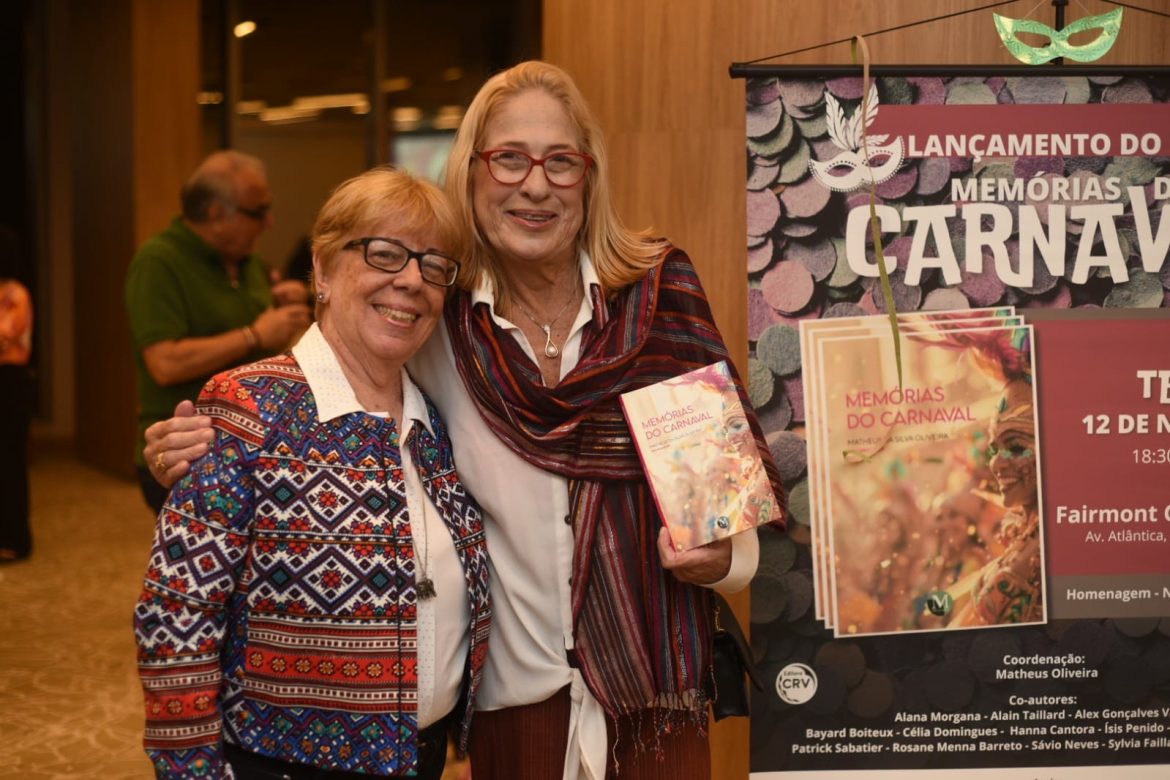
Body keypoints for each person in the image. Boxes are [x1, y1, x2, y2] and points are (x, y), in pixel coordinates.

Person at [147, 60, 786, 779]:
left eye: (561, 162)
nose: (535, 185)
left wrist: (723, 560)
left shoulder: (658, 298)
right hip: (516, 714)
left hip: (652, 706)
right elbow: (338, 403)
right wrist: (200, 448)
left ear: (591, 176)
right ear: (473, 172)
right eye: (509, 158)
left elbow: (729, 521)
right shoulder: (437, 326)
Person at [133, 167, 491, 779]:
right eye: (384, 253)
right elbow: (176, 615)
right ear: (323, 271)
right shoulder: (247, 407)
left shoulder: (436, 421)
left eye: (434, 266)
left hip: (420, 760)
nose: (411, 280)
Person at [125, 150, 312, 512]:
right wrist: (253, 335)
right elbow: (165, 363)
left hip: (254, 447)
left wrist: (288, 301)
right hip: (186, 451)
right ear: (215, 215)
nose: (269, 222)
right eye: (257, 212)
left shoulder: (249, 262)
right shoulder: (158, 261)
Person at [0, 225, 33, 562]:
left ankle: (15, 538)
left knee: (9, 461)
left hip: (9, 382)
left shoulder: (15, 294)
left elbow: (4, 337)